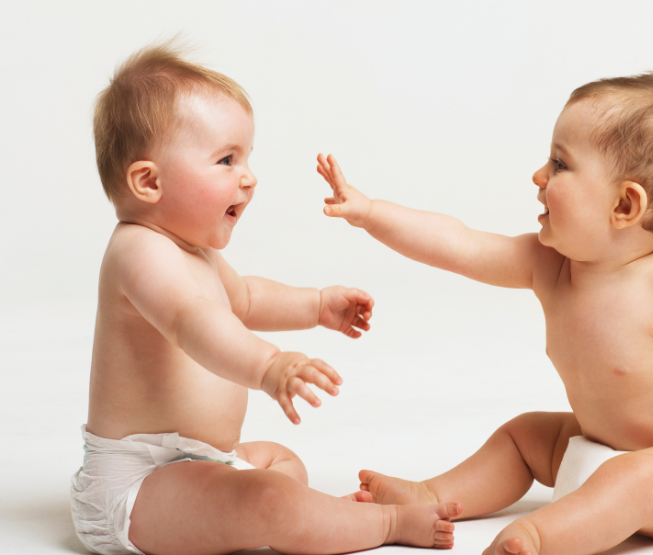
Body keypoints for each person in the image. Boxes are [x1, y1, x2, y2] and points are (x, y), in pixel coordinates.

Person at [317, 72, 653, 555]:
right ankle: (431, 496)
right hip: (596, 446)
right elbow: (459, 244)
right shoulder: (549, 265)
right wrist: (371, 212)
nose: (538, 176)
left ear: (624, 205)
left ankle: (539, 540)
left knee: (642, 476)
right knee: (525, 436)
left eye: (559, 164)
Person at [70, 41, 462, 555]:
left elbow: (248, 299)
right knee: (268, 501)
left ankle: (305, 517)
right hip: (138, 486)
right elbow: (192, 322)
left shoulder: (196, 253)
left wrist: (315, 305)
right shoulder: (137, 252)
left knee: (281, 463)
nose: (249, 177)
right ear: (148, 181)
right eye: (226, 159)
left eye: (247, 158)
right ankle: (385, 523)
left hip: (205, 463)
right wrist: (268, 365)